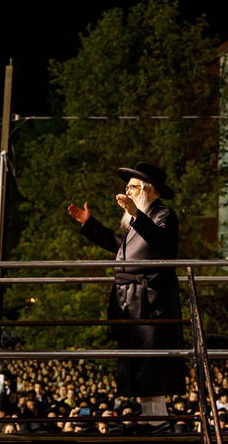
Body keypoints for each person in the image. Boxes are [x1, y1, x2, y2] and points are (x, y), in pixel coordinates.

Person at [67, 162, 186, 419]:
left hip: (150, 302)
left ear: (149, 189)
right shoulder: (142, 218)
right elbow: (122, 249)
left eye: (132, 187)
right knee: (140, 366)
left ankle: (157, 421)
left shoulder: (163, 215)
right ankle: (150, 419)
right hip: (133, 301)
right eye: (127, 187)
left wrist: (135, 215)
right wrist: (91, 225)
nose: (127, 191)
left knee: (152, 365)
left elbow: (160, 243)